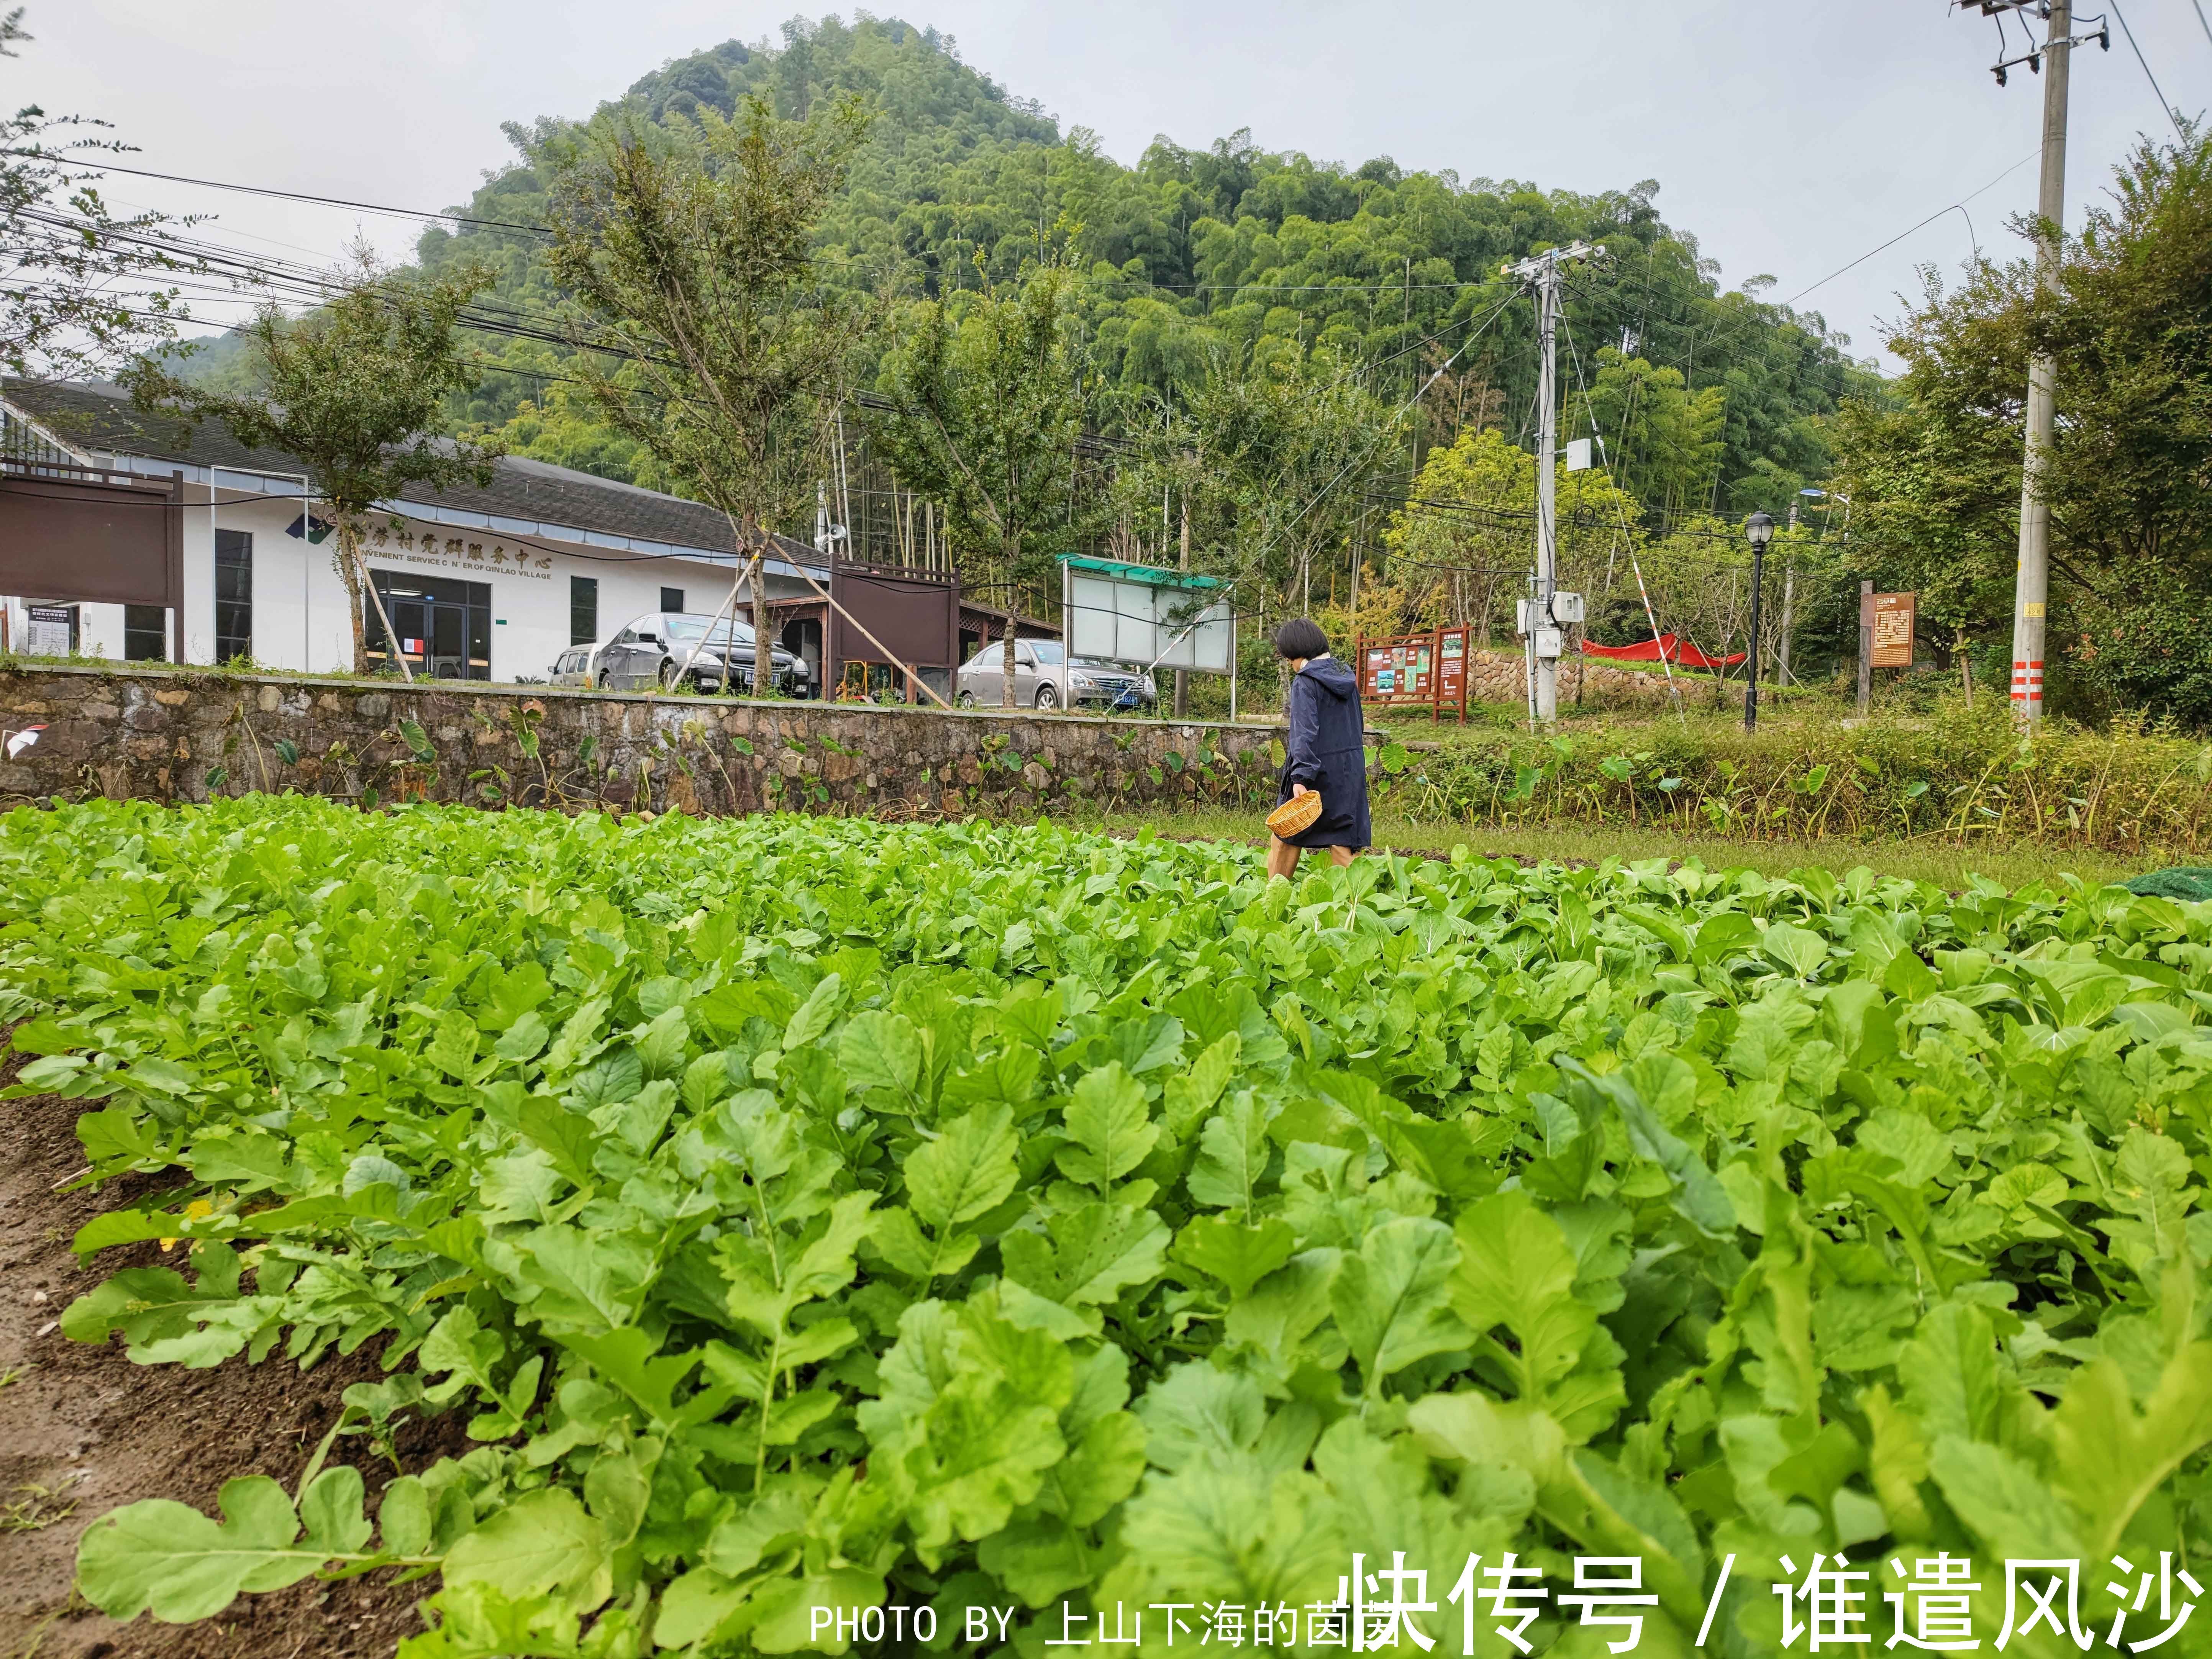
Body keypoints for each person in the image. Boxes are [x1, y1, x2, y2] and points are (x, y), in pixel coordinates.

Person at [1268, 616, 1371, 879]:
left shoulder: (1306, 681)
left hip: (1315, 770)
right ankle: (1355, 904)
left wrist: (1300, 776)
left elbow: (1304, 732)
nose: (1291, 666)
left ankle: (1274, 899)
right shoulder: (1346, 678)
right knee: (1344, 839)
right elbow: (1357, 724)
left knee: (1287, 833)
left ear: (1297, 654)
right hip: (1349, 770)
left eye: (1289, 659)